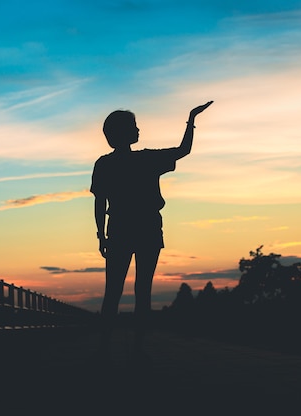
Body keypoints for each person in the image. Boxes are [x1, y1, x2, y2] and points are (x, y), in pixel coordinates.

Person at [90, 101, 213, 361]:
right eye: (134, 127)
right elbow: (184, 150)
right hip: (146, 227)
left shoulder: (104, 164)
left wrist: (101, 235)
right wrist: (191, 120)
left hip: (120, 229)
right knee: (141, 289)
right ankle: (137, 347)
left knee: (113, 289)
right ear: (123, 133)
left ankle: (105, 345)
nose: (138, 130)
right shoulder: (147, 158)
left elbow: (100, 202)